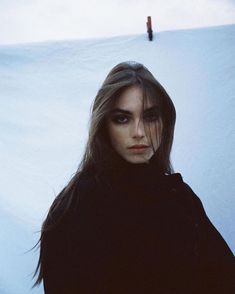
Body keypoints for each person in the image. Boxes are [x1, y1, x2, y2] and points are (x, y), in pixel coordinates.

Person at [34, 61, 235, 293]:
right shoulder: (76, 207)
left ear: (165, 122)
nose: (139, 132)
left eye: (150, 117)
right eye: (122, 118)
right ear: (104, 126)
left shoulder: (179, 198)